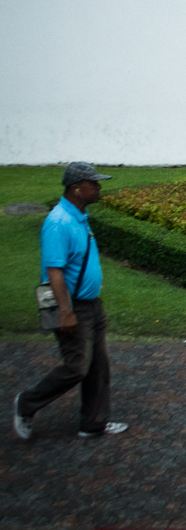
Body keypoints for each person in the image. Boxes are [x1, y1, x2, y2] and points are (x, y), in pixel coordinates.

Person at [13, 162, 128, 440]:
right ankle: (26, 403)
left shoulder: (79, 215)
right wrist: (66, 312)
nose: (99, 187)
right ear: (77, 188)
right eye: (94, 183)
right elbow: (54, 270)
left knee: (98, 366)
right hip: (73, 306)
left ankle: (93, 423)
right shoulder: (58, 222)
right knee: (77, 366)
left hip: (91, 304)